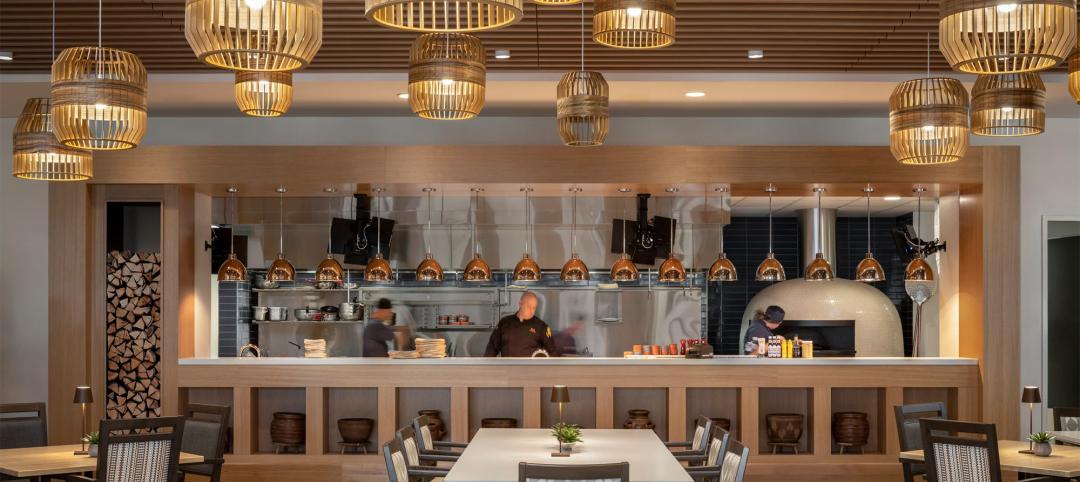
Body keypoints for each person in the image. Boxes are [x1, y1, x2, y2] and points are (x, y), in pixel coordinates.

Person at [484, 291, 557, 357]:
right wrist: (486, 367)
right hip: (508, 369)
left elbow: (553, 352)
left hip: (531, 369)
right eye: (529, 307)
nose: (532, 311)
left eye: (534, 308)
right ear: (520, 304)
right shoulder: (505, 323)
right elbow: (491, 349)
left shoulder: (541, 326)